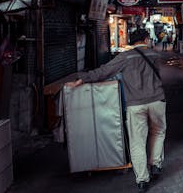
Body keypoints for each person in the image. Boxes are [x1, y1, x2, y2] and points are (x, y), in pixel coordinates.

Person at [65, 28, 167, 193]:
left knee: (137, 142)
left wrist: (82, 79)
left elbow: (103, 72)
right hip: (157, 100)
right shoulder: (155, 55)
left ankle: (142, 180)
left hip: (135, 104)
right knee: (158, 132)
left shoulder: (125, 57)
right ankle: (155, 163)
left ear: (131, 41)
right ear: (146, 39)